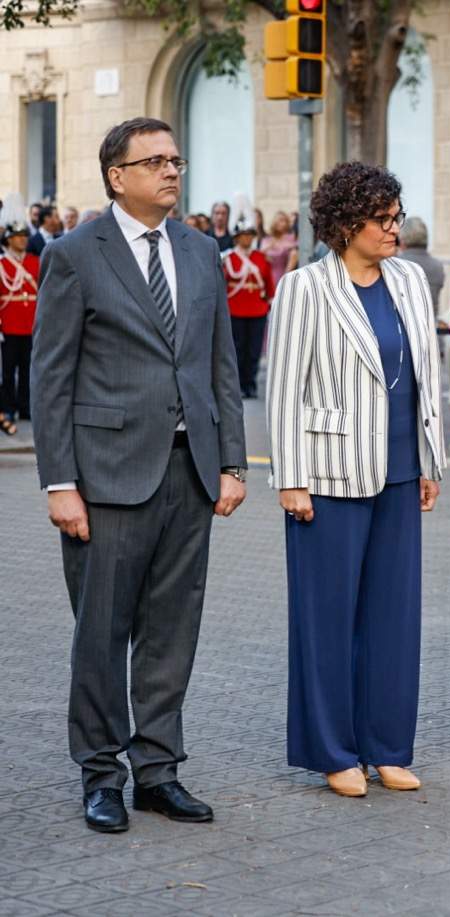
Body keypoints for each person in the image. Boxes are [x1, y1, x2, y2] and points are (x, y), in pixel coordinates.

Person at [30, 117, 247, 833]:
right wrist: (60, 481)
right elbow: (51, 373)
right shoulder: (73, 254)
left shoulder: (199, 249)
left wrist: (232, 461)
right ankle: (100, 772)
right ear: (117, 176)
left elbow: (221, 364)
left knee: (171, 630)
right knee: (102, 632)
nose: (172, 171)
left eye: (176, 159)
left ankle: (158, 771)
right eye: (154, 161)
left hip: (190, 473)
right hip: (106, 478)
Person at [267, 162, 444, 797]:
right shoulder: (305, 288)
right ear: (346, 225)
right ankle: (335, 752)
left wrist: (429, 461)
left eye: (397, 217)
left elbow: (426, 376)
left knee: (394, 618)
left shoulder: (411, 281)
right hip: (328, 473)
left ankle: (388, 747)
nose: (395, 229)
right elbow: (283, 388)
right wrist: (291, 478)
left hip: (400, 472)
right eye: (383, 219)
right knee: (327, 619)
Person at [397, 217, 450, 402]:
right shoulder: (437, 265)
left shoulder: (395, 264)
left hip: (403, 335)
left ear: (403, 239)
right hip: (431, 333)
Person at [223, 216, 275, 399]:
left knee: (254, 350)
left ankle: (250, 384)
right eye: (243, 235)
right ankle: (238, 385)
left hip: (257, 309)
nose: (246, 239)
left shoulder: (260, 258)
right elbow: (223, 284)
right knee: (237, 349)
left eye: (249, 235)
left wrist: (271, 301)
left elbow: (268, 283)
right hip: (235, 308)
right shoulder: (228, 259)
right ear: (237, 238)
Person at [1, 223, 40, 433]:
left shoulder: (35, 261)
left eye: (24, 235)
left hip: (31, 325)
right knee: (8, 372)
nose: (23, 239)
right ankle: (8, 408)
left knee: (28, 371)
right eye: (17, 236)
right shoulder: (2, 264)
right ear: (8, 240)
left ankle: (25, 407)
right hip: (9, 325)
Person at [259, 210, 298, 279]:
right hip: (268, 276)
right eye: (281, 220)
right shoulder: (266, 240)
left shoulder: (290, 238)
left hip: (285, 275)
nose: (283, 224)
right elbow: (259, 254)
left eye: (285, 221)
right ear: (275, 222)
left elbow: (295, 250)